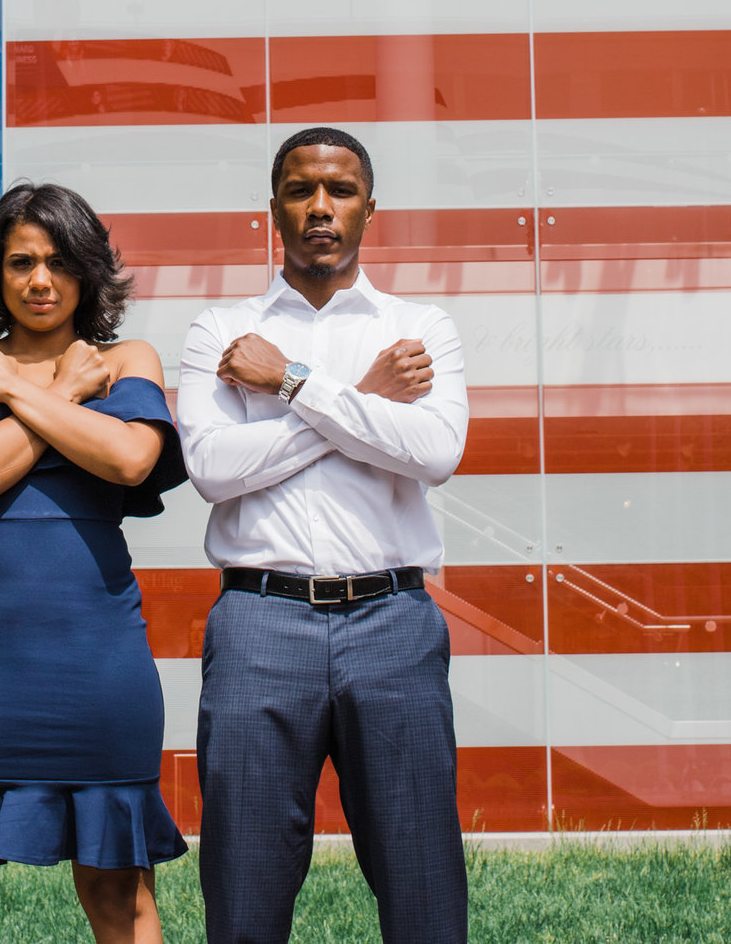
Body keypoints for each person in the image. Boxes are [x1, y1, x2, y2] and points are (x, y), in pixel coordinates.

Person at [177, 127, 470, 944]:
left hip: (394, 623)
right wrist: (360, 401)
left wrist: (294, 383)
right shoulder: (222, 333)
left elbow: (435, 452)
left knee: (422, 882)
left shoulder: (419, 327)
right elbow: (213, 467)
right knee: (244, 882)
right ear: (273, 208)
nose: (319, 206)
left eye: (339, 190)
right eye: (301, 189)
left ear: (369, 209)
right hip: (259, 623)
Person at [0, 181, 190, 944]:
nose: (39, 280)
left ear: (89, 272)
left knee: (123, 903)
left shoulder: (128, 360)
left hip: (99, 664)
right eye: (20, 261)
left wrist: (23, 393)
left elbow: (128, 458)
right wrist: (61, 392)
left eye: (58, 261)